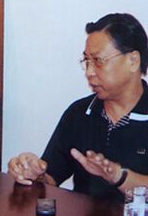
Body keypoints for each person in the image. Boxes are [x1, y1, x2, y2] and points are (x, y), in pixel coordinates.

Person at [8, 13, 148, 202]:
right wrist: (33, 174)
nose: (89, 72)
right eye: (87, 61)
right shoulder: (79, 113)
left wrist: (118, 176)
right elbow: (50, 178)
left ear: (133, 61)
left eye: (98, 61)